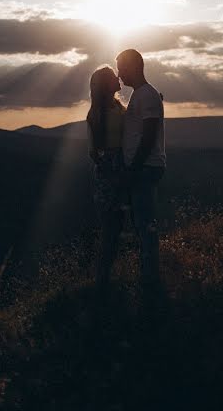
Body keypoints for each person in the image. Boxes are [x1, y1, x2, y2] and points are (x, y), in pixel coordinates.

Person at [115, 48, 166, 300]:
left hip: (145, 168)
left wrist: (133, 168)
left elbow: (148, 135)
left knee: (145, 224)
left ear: (134, 67)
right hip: (143, 167)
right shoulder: (143, 95)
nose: (119, 74)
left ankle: (150, 280)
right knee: (142, 222)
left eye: (121, 68)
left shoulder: (146, 95)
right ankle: (148, 275)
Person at [86, 66, 129, 292]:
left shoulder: (116, 108)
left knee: (116, 228)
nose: (118, 78)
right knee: (111, 230)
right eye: (113, 77)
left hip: (117, 171)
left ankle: (105, 281)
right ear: (106, 85)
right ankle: (101, 282)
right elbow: (94, 152)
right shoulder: (100, 113)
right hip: (112, 173)